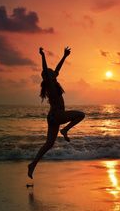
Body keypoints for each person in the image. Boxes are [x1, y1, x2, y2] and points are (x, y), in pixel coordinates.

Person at [28, 47, 85, 179]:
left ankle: (32, 165)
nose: (54, 72)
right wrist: (42, 55)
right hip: (58, 114)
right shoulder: (50, 84)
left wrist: (65, 56)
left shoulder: (53, 82)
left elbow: (58, 69)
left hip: (52, 117)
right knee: (81, 115)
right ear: (48, 76)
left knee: (49, 144)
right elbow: (46, 68)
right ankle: (65, 130)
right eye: (51, 72)